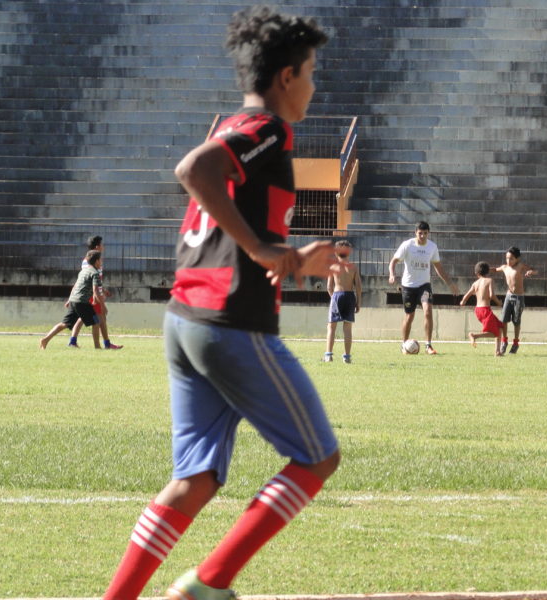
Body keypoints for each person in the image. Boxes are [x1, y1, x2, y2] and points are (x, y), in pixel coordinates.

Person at [102, 8, 340, 600]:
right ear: (286, 76)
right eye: (310, 72)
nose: (313, 85)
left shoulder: (232, 126)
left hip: (185, 320)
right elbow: (195, 170)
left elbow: (218, 206)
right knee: (316, 459)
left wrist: (285, 255)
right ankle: (208, 585)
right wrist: (263, 247)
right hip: (230, 324)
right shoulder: (266, 131)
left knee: (197, 479)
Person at [388, 221, 460, 355]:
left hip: (424, 286)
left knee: (428, 311)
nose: (422, 236)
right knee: (409, 316)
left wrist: (450, 283)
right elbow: (393, 261)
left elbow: (438, 267)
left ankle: (428, 345)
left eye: (425, 233)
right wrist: (392, 274)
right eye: (420, 233)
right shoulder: (407, 245)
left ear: (428, 233)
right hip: (408, 286)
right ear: (415, 232)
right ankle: (404, 344)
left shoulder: (432, 247)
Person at [39, 250, 103, 350]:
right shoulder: (95, 273)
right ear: (97, 261)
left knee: (64, 324)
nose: (101, 262)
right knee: (96, 322)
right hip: (82, 302)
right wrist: (101, 303)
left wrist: (69, 299)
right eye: (101, 260)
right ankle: (97, 347)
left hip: (74, 301)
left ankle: (45, 339)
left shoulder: (83, 271)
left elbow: (76, 286)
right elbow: (95, 290)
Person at [71, 235, 123, 350]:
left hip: (93, 294)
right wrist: (97, 295)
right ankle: (105, 344)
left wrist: (102, 289)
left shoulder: (89, 260)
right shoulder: (92, 262)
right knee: (100, 319)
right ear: (97, 247)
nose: (104, 246)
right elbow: (89, 279)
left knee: (84, 318)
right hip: (93, 295)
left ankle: (73, 341)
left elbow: (93, 279)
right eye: (102, 244)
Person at [493, 246, 537, 355]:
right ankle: (504, 342)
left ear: (517, 259)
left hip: (519, 297)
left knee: (516, 321)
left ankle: (516, 343)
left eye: (511, 258)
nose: (508, 261)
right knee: (503, 320)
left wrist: (531, 272)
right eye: (507, 258)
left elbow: (534, 270)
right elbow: (494, 269)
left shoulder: (520, 266)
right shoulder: (504, 267)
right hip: (509, 296)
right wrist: (483, 268)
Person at [324, 240, 362, 364]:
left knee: (331, 326)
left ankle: (328, 355)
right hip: (350, 296)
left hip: (337, 294)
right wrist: (358, 302)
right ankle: (347, 357)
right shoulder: (354, 267)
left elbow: (329, 286)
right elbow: (358, 286)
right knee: (347, 328)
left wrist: (333, 298)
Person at [460, 261, 503, 356]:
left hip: (478, 310)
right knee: (494, 333)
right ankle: (474, 335)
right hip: (485, 310)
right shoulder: (489, 280)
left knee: (499, 327)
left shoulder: (475, 283)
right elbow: (491, 295)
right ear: (488, 272)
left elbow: (467, 295)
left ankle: (497, 351)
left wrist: (463, 301)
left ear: (477, 273)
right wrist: (499, 302)